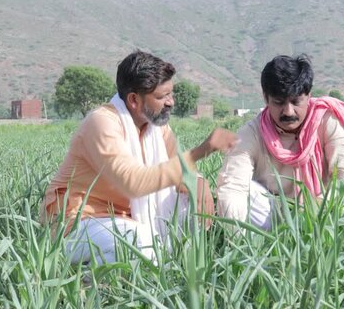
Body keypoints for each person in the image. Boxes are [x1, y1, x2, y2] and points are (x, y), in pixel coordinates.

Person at [40, 50, 238, 264]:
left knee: (196, 210)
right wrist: (202, 150)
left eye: (171, 94)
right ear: (134, 100)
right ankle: (85, 285)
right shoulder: (101, 123)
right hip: (80, 222)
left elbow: (181, 170)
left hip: (127, 218)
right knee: (140, 241)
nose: (171, 102)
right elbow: (134, 184)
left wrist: (198, 182)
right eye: (162, 97)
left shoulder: (156, 128)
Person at [216, 54, 344, 230]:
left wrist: (316, 211)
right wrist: (238, 242)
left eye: (296, 101)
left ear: (309, 95)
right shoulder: (251, 132)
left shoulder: (327, 121)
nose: (288, 111)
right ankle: (260, 244)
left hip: (322, 210)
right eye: (279, 102)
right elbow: (233, 187)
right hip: (273, 215)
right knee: (239, 191)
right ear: (266, 98)